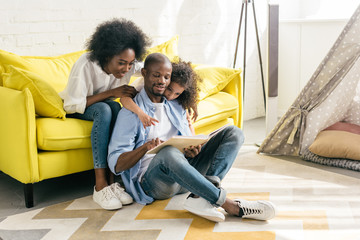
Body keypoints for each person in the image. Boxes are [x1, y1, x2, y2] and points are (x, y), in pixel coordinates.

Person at [108, 53, 276, 222]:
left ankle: (199, 197)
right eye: (156, 76)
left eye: (166, 77)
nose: (161, 81)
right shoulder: (131, 113)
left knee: (234, 133)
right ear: (144, 74)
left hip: (184, 173)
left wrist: (192, 150)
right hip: (154, 183)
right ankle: (230, 205)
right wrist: (145, 148)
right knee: (168, 152)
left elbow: (187, 138)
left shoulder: (176, 104)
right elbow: (116, 164)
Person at [60, 18, 151, 210]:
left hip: (102, 105)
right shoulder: (86, 64)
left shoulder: (128, 63)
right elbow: (72, 105)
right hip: (78, 107)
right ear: (106, 55)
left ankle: (112, 182)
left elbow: (152, 68)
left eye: (130, 64)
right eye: (121, 63)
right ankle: (100, 185)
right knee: (105, 108)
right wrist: (111, 93)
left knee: (117, 108)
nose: (126, 69)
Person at [120, 59, 200, 135]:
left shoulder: (176, 95)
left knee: (184, 116)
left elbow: (187, 121)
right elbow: (124, 98)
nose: (170, 96)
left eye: (177, 94)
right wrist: (140, 113)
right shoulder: (149, 86)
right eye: (169, 89)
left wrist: (192, 103)